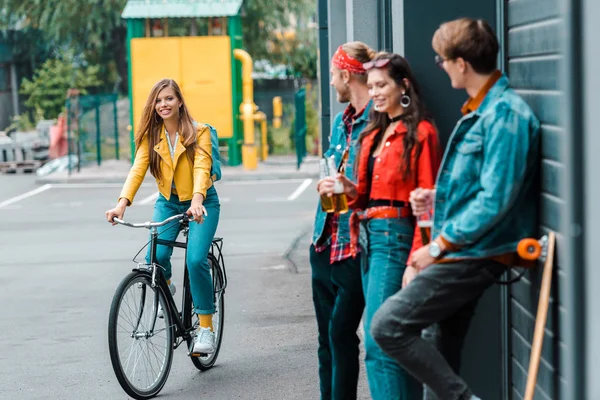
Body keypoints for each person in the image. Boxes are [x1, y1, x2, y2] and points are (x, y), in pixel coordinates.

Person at [369, 18, 541, 400]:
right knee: (440, 345)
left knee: (387, 326)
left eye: (442, 59)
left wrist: (436, 247)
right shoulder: (482, 109)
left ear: (461, 63)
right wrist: (435, 200)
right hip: (465, 246)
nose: (440, 65)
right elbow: (479, 189)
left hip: (475, 252)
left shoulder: (505, 115)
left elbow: (495, 200)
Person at [323, 52, 441, 400]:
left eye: (381, 85)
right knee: (390, 342)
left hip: (397, 239)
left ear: (403, 85)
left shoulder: (420, 132)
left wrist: (418, 257)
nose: (374, 92)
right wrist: (345, 190)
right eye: (371, 85)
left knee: (379, 342)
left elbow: (428, 205)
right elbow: (362, 199)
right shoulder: (373, 133)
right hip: (368, 239)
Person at [106, 78, 221, 355]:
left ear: (179, 101)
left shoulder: (199, 131)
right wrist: (122, 204)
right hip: (168, 203)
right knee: (154, 259)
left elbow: (202, 167)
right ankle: (164, 288)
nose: (163, 104)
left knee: (195, 261)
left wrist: (196, 200)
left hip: (202, 202)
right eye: (158, 100)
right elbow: (138, 169)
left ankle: (206, 327)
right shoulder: (151, 137)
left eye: (168, 98)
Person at [310, 41, 375, 400]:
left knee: (341, 333)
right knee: (327, 340)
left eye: (334, 75)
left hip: (353, 244)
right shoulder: (341, 121)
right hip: (324, 241)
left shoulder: (376, 121)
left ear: (348, 75)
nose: (332, 83)